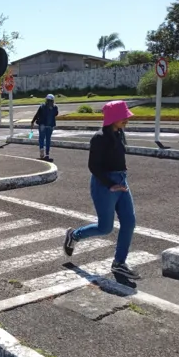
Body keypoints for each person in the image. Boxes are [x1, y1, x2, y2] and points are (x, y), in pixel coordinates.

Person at [62, 100, 140, 280]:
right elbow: (93, 166)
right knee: (105, 228)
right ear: (112, 118)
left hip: (121, 181)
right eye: (123, 117)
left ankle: (119, 263)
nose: (126, 120)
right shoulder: (99, 138)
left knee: (129, 222)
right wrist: (109, 183)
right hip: (104, 184)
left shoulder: (119, 133)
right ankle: (74, 235)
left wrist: (122, 174)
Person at [29, 94, 60, 161]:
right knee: (48, 139)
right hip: (50, 126)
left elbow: (37, 114)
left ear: (46, 100)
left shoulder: (42, 106)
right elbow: (56, 114)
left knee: (41, 138)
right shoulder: (55, 107)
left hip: (42, 125)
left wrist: (32, 122)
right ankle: (47, 154)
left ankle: (41, 148)